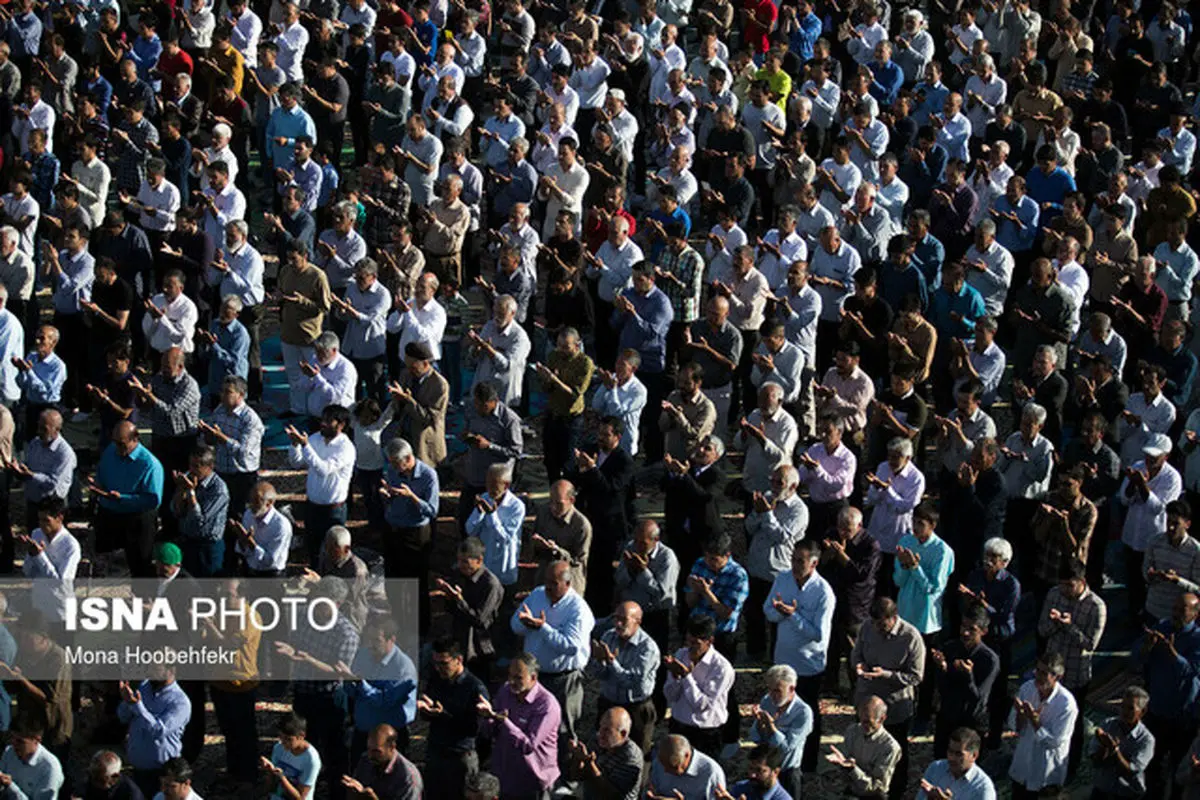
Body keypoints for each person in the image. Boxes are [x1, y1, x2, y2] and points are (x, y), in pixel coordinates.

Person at [852, 597, 926, 800]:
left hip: (894, 708)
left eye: (882, 624)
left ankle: (895, 793)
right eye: (874, 623)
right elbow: (856, 654)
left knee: (895, 756)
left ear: (893, 618)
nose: (877, 628)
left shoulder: (911, 637)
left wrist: (886, 675)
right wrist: (859, 666)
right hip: (867, 702)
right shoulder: (867, 627)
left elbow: (916, 676)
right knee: (864, 749)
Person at [476, 653, 561, 799]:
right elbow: (491, 729)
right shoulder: (505, 691)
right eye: (510, 675)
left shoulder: (546, 705)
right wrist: (488, 717)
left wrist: (504, 721)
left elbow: (529, 745)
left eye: (518, 677)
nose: (511, 681)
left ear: (533, 678)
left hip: (532, 781)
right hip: (504, 777)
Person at [286, 403, 355, 566]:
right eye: (323, 419)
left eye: (329, 421)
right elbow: (296, 463)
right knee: (313, 550)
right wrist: (295, 445)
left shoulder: (346, 448)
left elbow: (324, 469)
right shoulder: (315, 438)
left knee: (334, 554)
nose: (323, 423)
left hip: (333, 511)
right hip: (312, 506)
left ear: (341, 425)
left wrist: (305, 446)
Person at [341, 617, 418, 761]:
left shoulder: (403, 668)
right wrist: (348, 682)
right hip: (363, 732)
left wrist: (360, 684)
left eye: (376, 640)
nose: (371, 645)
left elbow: (385, 701)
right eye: (368, 640)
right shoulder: (363, 655)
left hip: (390, 737)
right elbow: (352, 692)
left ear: (392, 639)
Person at [118, 661, 192, 799]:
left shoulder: (180, 702)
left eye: (155, 669)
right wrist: (127, 701)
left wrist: (138, 706)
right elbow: (122, 716)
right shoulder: (143, 687)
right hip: (137, 770)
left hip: (162, 775)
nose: (149, 672)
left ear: (170, 670)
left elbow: (159, 731)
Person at [1008, 654, 1078, 799]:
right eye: (1037, 671)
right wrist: (1021, 716)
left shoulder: (1066, 705)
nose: (1038, 676)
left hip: (1044, 777)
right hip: (1021, 769)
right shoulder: (1027, 689)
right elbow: (1013, 726)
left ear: (1057, 677)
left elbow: (1054, 742)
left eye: (1044, 673)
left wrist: (1035, 721)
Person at [827, 696, 902, 798]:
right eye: (860, 720)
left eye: (867, 722)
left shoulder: (890, 747)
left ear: (882, 719)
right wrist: (841, 763)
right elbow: (845, 759)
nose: (862, 725)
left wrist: (853, 770)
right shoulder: (853, 731)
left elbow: (877, 787)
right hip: (852, 789)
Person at [1088, 687, 1155, 800]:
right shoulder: (1108, 724)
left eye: (1130, 708)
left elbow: (1131, 771)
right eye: (1123, 706)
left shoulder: (1146, 740)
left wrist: (1115, 750)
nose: (1124, 712)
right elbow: (1095, 761)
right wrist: (1104, 746)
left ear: (1142, 712)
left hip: (1126, 794)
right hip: (1101, 791)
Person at [343, 724, 423, 800]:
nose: (370, 755)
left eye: (377, 751)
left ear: (392, 747)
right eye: (369, 749)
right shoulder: (366, 760)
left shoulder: (408, 777)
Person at [917, 728, 995, 800]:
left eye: (959, 754)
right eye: (950, 751)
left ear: (974, 755)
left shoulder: (983, 788)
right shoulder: (936, 768)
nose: (952, 758)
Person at [647, 733, 727, 798]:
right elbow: (651, 789)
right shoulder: (660, 761)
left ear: (687, 755)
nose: (666, 771)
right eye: (663, 765)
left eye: (674, 767)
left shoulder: (711, 773)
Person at [262, 714, 321, 800]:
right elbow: (270, 786)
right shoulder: (278, 748)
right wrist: (269, 771)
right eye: (281, 737)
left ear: (301, 736)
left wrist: (282, 778)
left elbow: (300, 797)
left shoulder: (311, 760)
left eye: (288, 739)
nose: (283, 742)